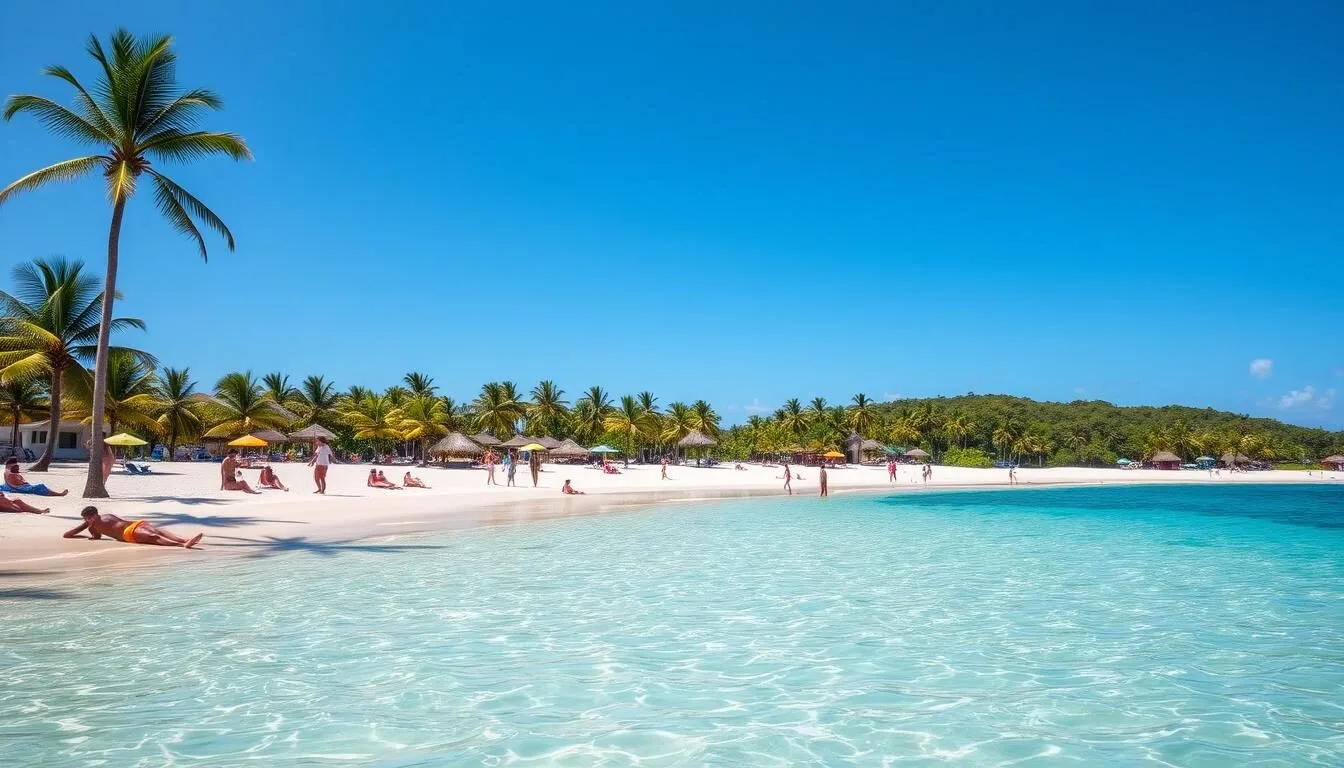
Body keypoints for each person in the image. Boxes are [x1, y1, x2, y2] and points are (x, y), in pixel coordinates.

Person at [63, 506, 202, 548]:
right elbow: (67, 535)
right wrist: (86, 528)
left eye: (89, 517)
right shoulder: (92, 527)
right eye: (85, 518)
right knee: (153, 537)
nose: (87, 519)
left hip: (134, 524)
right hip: (127, 534)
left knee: (158, 530)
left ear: (95, 514)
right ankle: (181, 545)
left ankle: (185, 539)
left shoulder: (105, 515)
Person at [3, 459, 68, 496]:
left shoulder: (14, 473)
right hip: (20, 487)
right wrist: (16, 489)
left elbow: (21, 479)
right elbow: (9, 483)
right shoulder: (7, 473)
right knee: (40, 487)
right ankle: (59, 494)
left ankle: (58, 494)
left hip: (25, 486)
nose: (18, 467)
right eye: (16, 465)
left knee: (39, 487)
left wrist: (26, 483)